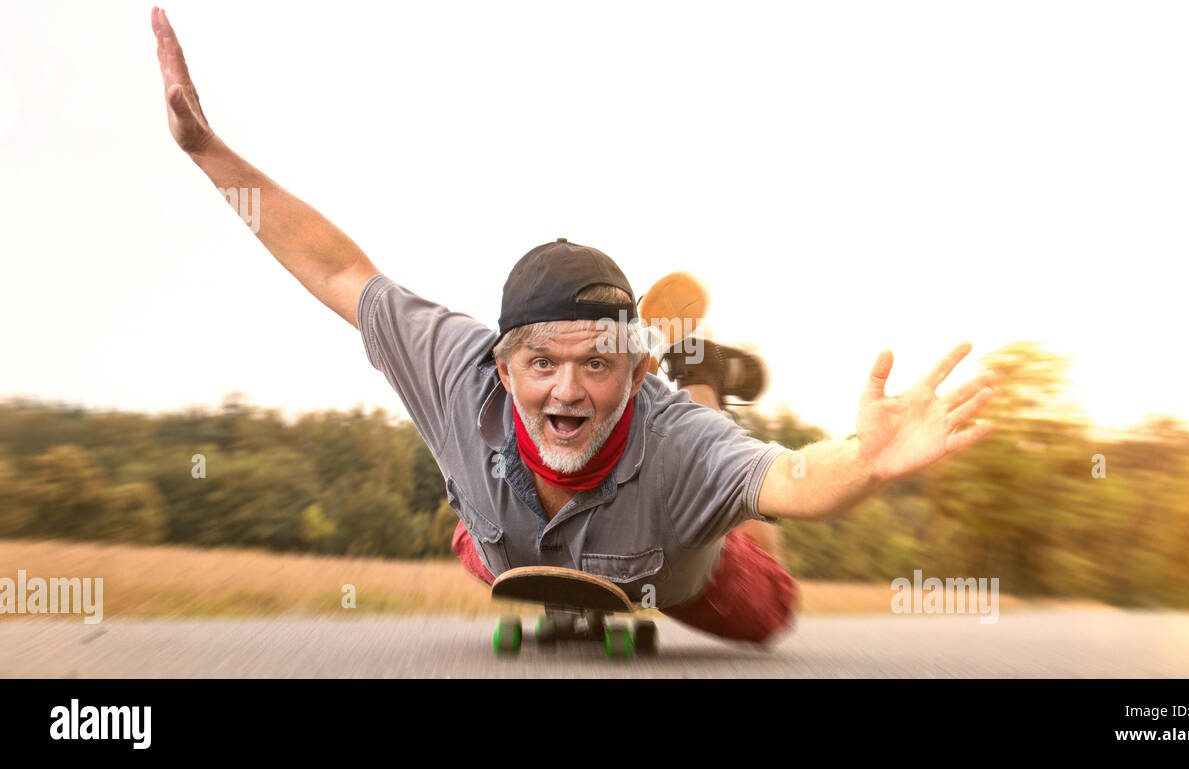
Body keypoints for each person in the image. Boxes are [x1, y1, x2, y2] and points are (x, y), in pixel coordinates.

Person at [151, 7, 997, 644]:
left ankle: (705, 381)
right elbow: (338, 270)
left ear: (630, 376)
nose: (564, 389)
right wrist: (208, 152)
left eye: (595, 365)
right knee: (473, 533)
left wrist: (868, 462)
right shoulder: (456, 365)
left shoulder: (678, 446)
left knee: (767, 607)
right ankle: (633, 410)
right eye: (541, 363)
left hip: (676, 559)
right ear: (502, 363)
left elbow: (793, 482)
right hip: (525, 536)